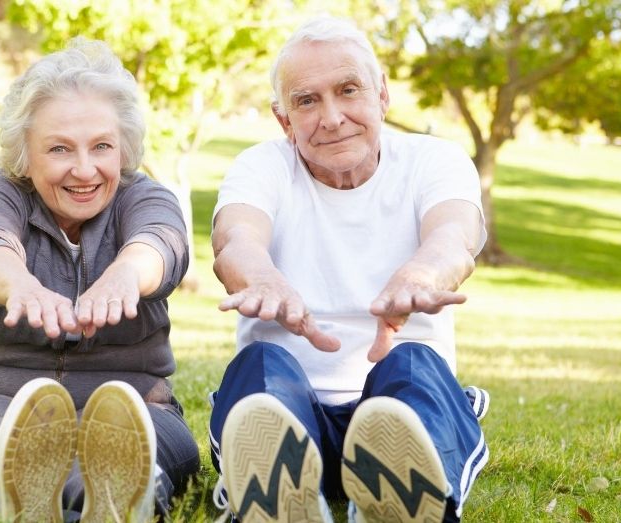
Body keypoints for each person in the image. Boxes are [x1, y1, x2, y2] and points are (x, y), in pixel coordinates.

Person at [0, 38, 200, 522]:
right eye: (60, 148)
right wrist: (20, 286)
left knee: (120, 457)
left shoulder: (144, 197)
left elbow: (162, 242)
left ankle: (114, 497)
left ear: (123, 147)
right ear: (24, 153)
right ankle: (0, 491)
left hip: (130, 404)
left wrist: (126, 273)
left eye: (101, 146)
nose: (84, 170)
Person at [208, 16, 490, 523]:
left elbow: (454, 236)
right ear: (283, 119)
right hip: (291, 410)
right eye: (307, 101)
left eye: (348, 90)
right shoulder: (261, 166)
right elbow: (235, 239)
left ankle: (405, 490)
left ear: (382, 95)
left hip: (397, 409)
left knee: (412, 364)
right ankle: (276, 486)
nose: (332, 117)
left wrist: (423, 273)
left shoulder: (434, 160)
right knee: (262, 366)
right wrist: (264, 279)